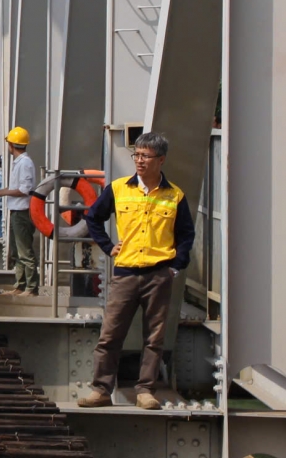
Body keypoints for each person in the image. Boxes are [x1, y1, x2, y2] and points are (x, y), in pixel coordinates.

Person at [76, 132, 194, 410]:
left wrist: (176, 267)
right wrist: (107, 246)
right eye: (137, 155)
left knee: (154, 338)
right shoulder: (118, 189)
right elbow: (93, 218)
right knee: (110, 334)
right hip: (126, 272)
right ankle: (101, 390)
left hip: (159, 274)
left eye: (145, 156)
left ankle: (145, 391)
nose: (139, 161)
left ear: (161, 160)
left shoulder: (174, 195)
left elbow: (186, 234)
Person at [0, 127, 39, 296]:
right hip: (16, 210)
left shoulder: (25, 164)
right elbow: (17, 188)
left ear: (12, 144)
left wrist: (1, 192)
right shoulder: (20, 163)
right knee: (16, 251)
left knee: (25, 251)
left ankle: (31, 288)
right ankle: (20, 285)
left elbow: (25, 189)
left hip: (22, 212)